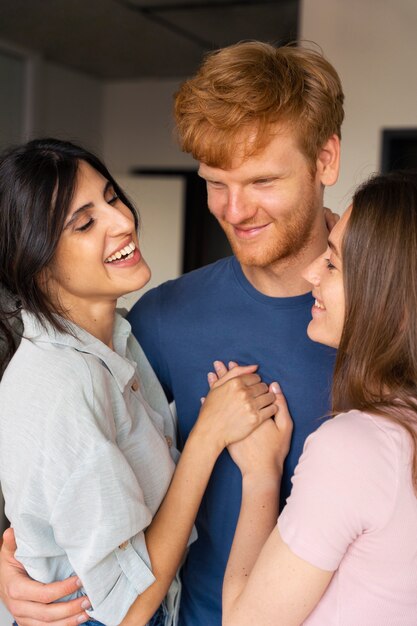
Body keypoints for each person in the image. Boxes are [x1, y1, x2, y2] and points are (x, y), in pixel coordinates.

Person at [0, 41, 344, 625]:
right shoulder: (157, 321)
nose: (235, 211)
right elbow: (52, 462)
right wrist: (11, 561)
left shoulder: (394, 311)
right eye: (216, 182)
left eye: (262, 180)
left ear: (326, 161)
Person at [0, 138, 283, 626]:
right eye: (85, 223)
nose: (123, 221)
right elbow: (127, 610)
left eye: (111, 198)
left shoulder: (123, 338)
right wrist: (208, 437)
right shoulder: (64, 386)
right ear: (35, 263)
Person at [221, 171, 417, 625]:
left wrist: (261, 476)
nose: (312, 271)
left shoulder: (356, 447)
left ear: (391, 302)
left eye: (332, 263)